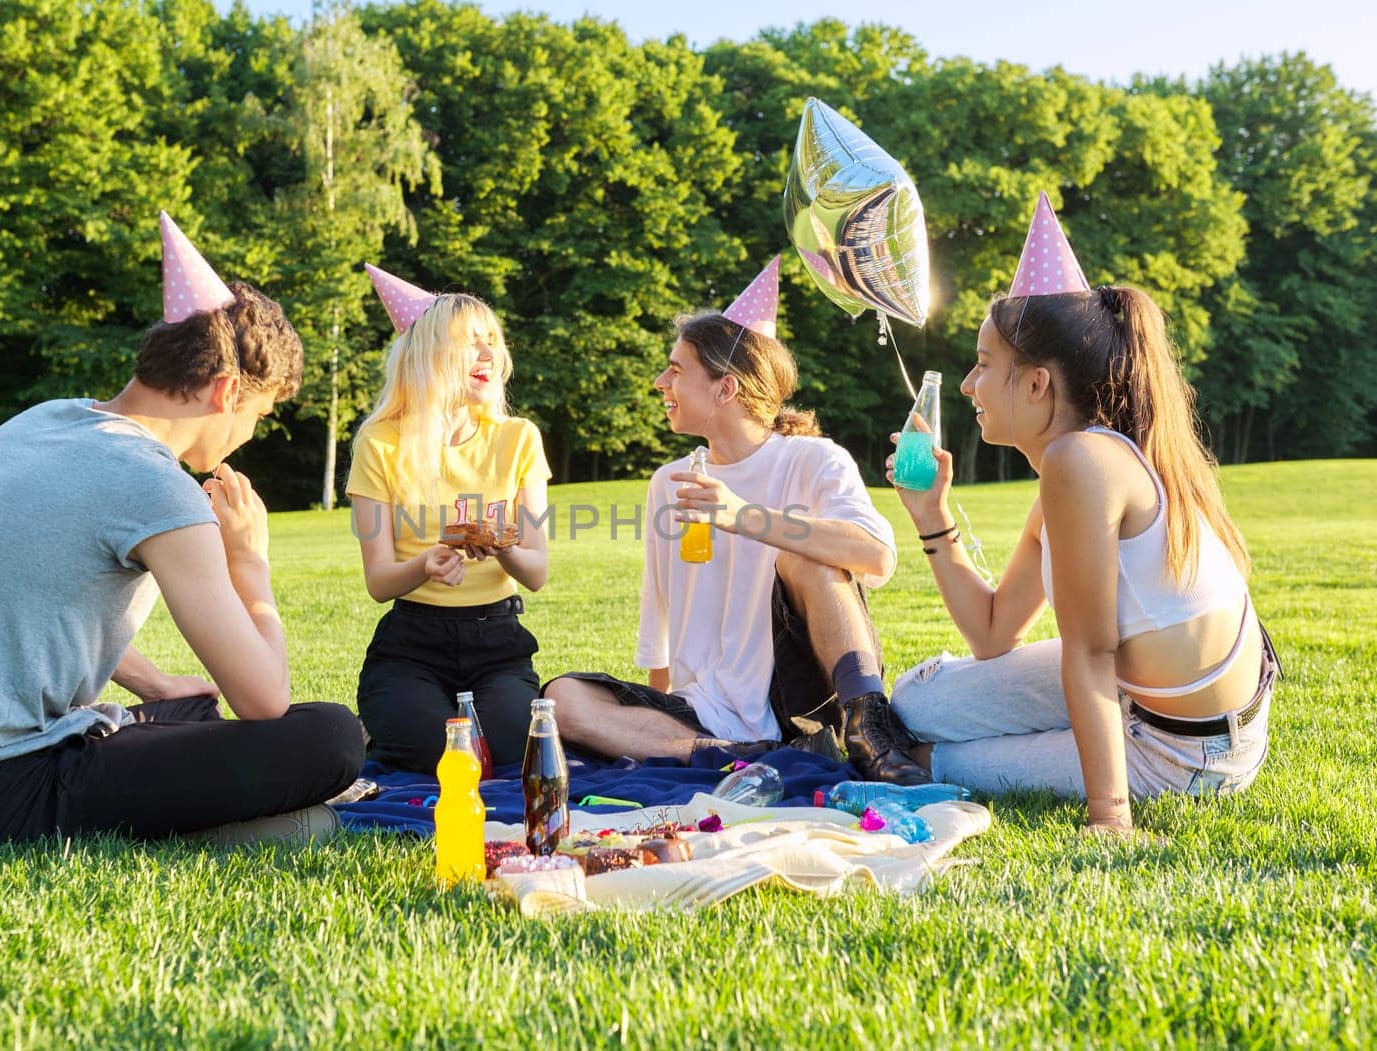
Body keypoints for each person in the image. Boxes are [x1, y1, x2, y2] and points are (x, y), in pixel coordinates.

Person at [0, 211, 365, 845]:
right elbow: (264, 699)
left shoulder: (46, 420)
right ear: (225, 392)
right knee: (329, 736)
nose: (249, 435)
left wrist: (155, 684)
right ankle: (216, 832)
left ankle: (208, 809)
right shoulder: (155, 482)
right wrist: (248, 561)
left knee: (187, 705)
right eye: (260, 414)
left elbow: (39, 598)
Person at [883, 194, 1276, 836]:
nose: (965, 387)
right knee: (915, 701)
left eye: (983, 366)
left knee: (924, 757)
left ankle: (1087, 766)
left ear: (1037, 384)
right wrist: (931, 514)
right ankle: (1075, 730)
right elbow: (991, 634)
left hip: (1185, 755)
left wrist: (1109, 817)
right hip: (1163, 707)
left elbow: (1090, 653)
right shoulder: (1090, 463)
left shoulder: (1079, 462)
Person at [545, 257, 928, 783]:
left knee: (808, 558)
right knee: (561, 698)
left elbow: (875, 553)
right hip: (705, 711)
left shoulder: (813, 459)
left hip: (799, 699)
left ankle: (868, 728)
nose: (661, 382)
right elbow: (662, 618)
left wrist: (742, 515)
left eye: (676, 371)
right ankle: (727, 755)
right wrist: (651, 715)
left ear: (726, 389)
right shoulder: (670, 481)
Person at [346, 264, 551, 773]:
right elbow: (378, 582)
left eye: (492, 341)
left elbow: (537, 572)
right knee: (437, 757)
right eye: (471, 343)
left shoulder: (519, 438)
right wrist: (426, 564)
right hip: (412, 644)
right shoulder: (379, 444)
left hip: (499, 641)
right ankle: (396, 716)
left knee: (508, 752)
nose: (489, 355)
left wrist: (501, 545)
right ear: (430, 356)